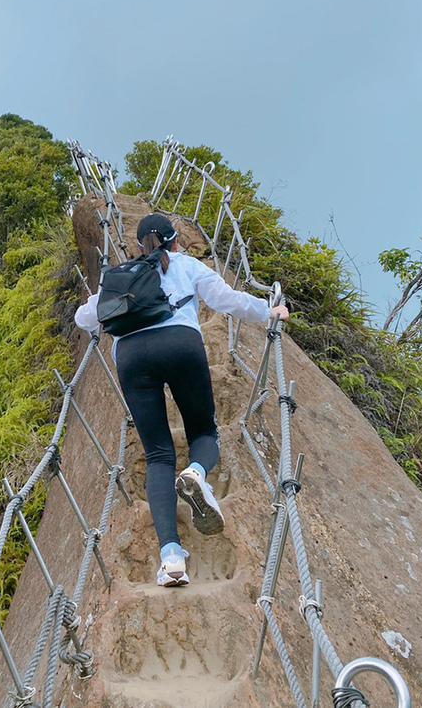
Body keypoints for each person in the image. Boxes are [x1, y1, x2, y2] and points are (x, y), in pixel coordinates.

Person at [75, 213, 289, 587]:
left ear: (139, 245)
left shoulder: (118, 275)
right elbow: (226, 299)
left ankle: (171, 559)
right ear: (174, 242)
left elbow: (84, 319)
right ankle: (196, 473)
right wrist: (268, 311)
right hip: (180, 344)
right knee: (204, 432)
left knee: (158, 454)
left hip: (131, 359)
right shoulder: (186, 264)